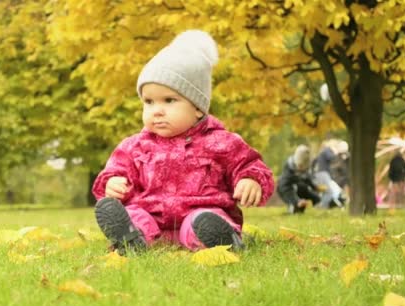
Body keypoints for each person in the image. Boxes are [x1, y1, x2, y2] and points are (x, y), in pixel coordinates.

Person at [91, 30, 274, 255]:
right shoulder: (134, 146)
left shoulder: (221, 142)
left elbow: (249, 164)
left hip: (198, 212)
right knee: (135, 214)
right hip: (152, 219)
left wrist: (251, 180)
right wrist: (113, 182)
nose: (157, 111)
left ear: (198, 107)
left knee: (204, 219)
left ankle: (218, 238)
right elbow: (116, 169)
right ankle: (130, 237)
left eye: (169, 101)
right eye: (148, 102)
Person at [276, 145, 321, 214]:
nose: (302, 169)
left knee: (305, 188)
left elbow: (307, 179)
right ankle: (294, 206)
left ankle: (315, 202)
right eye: (300, 166)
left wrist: (315, 188)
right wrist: (297, 201)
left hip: (299, 188)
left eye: (304, 167)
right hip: (287, 191)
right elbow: (285, 187)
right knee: (296, 205)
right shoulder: (288, 172)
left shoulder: (305, 169)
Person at [312, 139, 346, 208]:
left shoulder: (323, 152)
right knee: (329, 192)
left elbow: (314, 161)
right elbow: (332, 158)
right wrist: (336, 152)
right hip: (323, 173)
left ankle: (322, 206)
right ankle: (322, 207)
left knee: (326, 191)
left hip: (322, 173)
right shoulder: (327, 150)